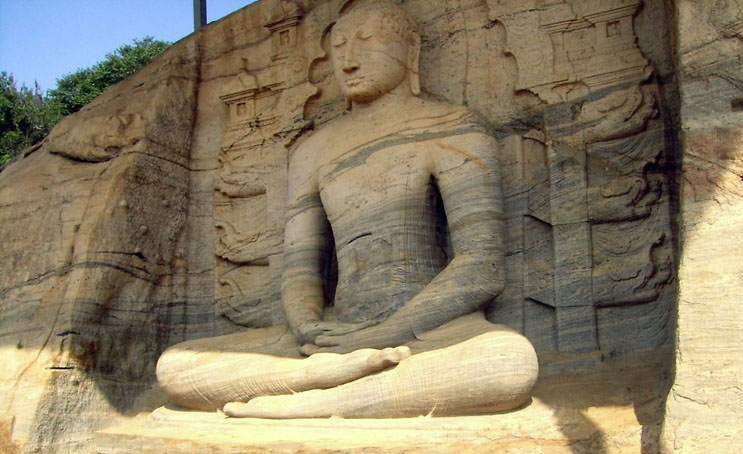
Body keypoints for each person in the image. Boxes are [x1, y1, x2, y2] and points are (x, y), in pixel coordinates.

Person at [156, 0, 538, 419]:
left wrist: (388, 332)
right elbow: (300, 269)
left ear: (410, 50)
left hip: (428, 329)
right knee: (175, 366)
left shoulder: (454, 127)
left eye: (366, 43)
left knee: (508, 363)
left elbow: (481, 265)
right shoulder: (311, 150)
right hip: (333, 336)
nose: (348, 61)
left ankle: (316, 403)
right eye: (338, 48)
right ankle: (315, 378)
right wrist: (307, 327)